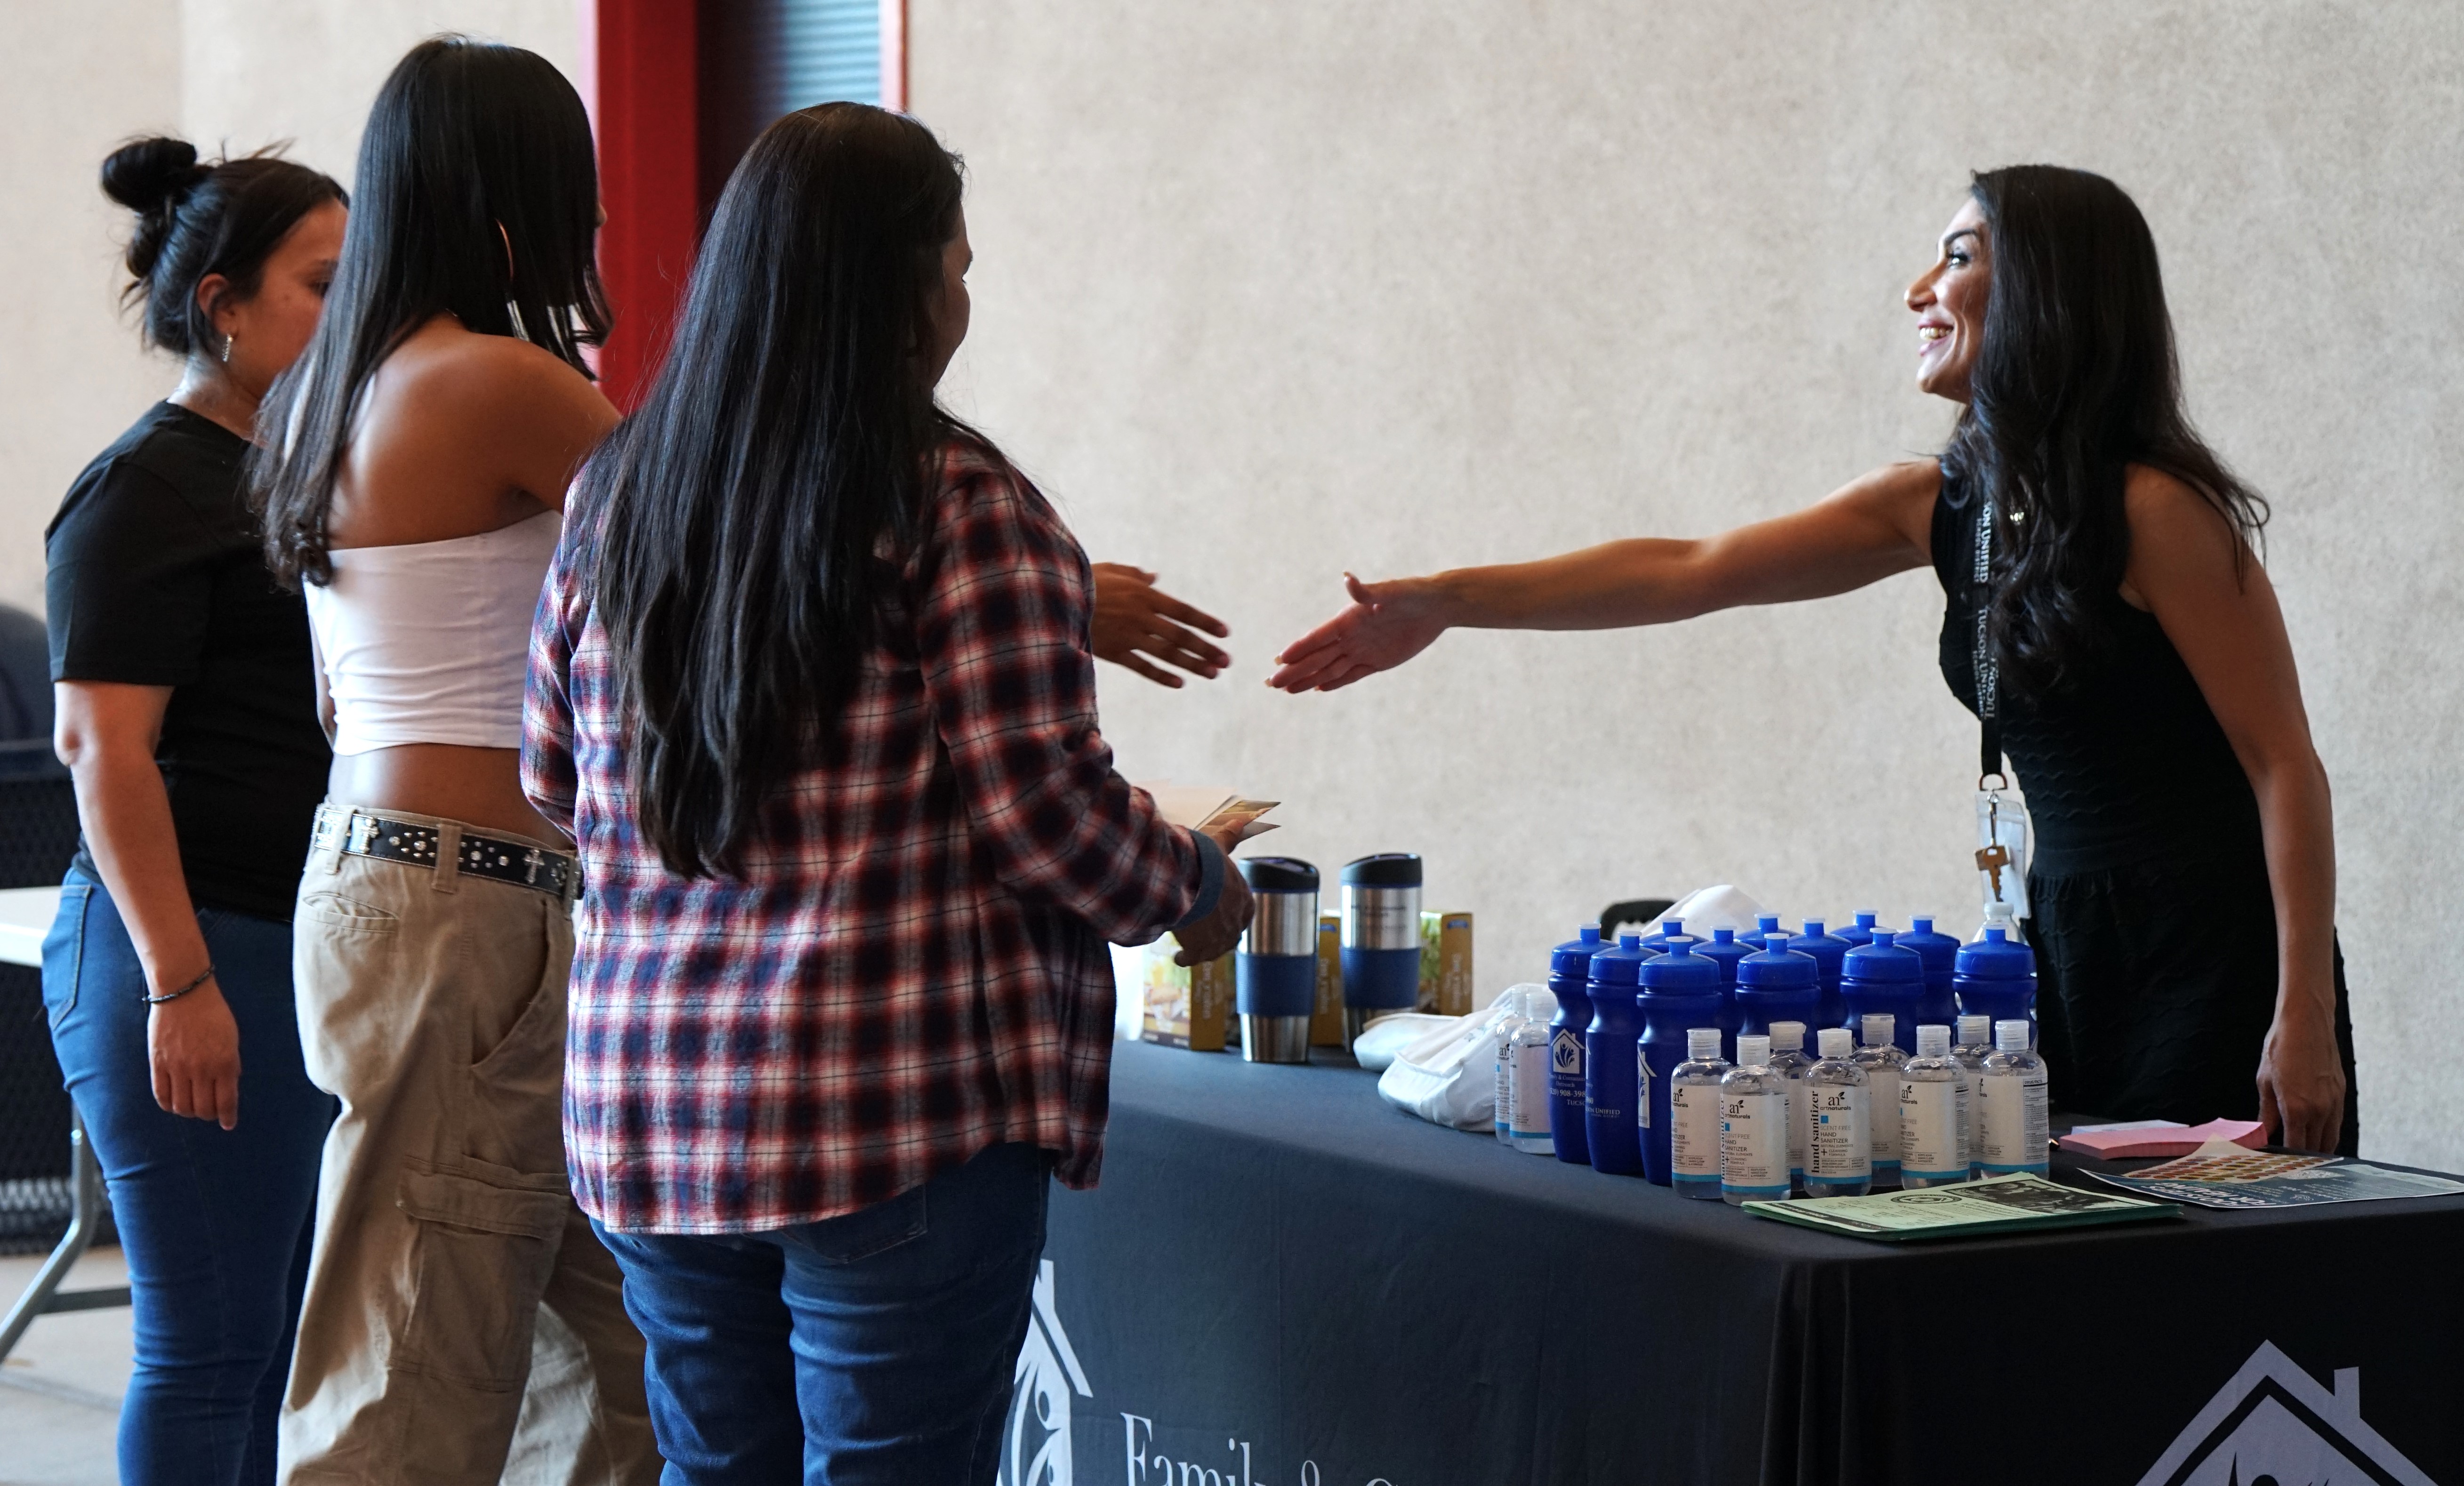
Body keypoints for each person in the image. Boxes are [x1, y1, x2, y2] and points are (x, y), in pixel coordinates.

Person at [1272, 164, 2355, 1156]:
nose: (1917, 287)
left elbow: (2281, 766)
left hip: (2218, 957)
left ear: (2051, 296)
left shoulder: (2155, 510)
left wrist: (2300, 1009)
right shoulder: (1943, 506)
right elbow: (1690, 569)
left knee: (2210, 1302)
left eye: (1961, 255)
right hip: (2063, 951)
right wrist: (1449, 604)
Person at [523, 103, 1255, 1484]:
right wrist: (1199, 886)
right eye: (958, 267)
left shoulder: (618, 488)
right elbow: (1044, 813)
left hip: (650, 1106)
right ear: (900, 282)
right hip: (887, 1116)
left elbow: (552, 778)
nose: (963, 300)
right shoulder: (965, 503)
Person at [246, 38, 656, 1485]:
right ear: (513, 196)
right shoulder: (497, 380)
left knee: (620, 1367)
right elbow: (715, 555)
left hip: (412, 894)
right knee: (411, 1382)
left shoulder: (322, 387)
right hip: (467, 911)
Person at [42, 136, 345, 1486]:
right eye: (323, 284)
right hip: (185, 947)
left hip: (291, 943)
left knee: (277, 1338)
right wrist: (180, 983)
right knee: (209, 1339)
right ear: (222, 305)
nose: (353, 316)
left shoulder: (293, 472)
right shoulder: (143, 490)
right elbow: (101, 750)